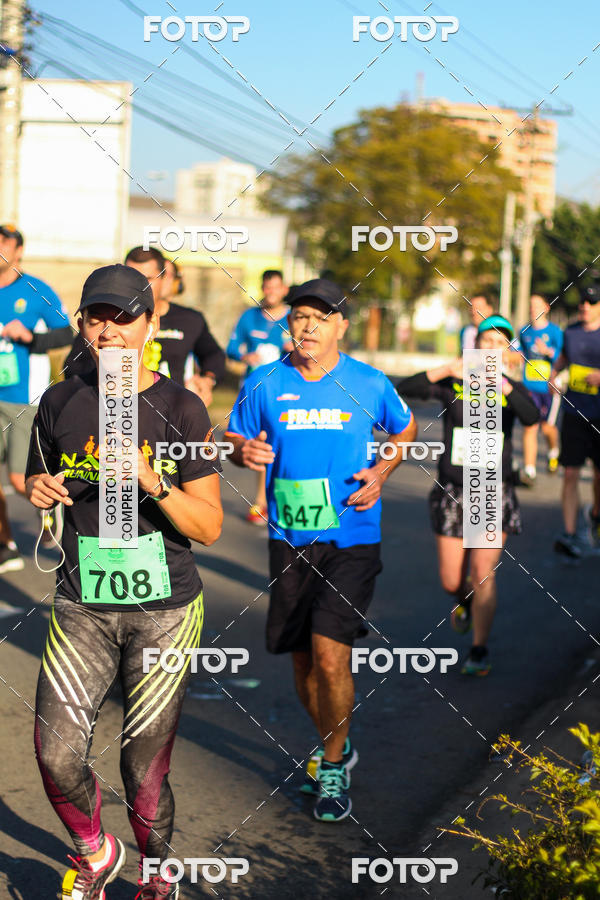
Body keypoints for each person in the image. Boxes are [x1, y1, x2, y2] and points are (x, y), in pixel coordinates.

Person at [25, 264, 223, 899]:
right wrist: (36, 488)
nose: (109, 331)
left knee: (142, 767)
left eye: (124, 318)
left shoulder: (181, 408)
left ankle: (157, 874)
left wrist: (152, 481)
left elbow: (210, 526)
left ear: (151, 325)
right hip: (82, 602)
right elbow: (33, 478)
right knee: (56, 754)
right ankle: (96, 851)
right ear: (81, 325)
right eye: (96, 318)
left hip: (165, 610)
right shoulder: (60, 399)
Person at [225, 278, 416, 821]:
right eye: (299, 317)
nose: (307, 326)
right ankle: (337, 739)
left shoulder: (369, 382)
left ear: (341, 327)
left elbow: (403, 432)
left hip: (352, 535)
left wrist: (381, 471)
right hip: (290, 537)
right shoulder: (265, 381)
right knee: (303, 659)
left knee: (331, 654)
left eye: (320, 317)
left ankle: (331, 764)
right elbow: (235, 439)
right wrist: (243, 452)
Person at [398, 315, 539, 676]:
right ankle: (464, 602)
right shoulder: (454, 382)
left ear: (507, 351)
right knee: (452, 580)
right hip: (453, 489)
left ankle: (479, 649)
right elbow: (405, 388)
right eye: (486, 341)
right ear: (475, 346)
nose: (491, 348)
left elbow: (531, 417)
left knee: (482, 572)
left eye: (499, 343)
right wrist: (447, 369)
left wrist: (503, 384)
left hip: (491, 490)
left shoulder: (511, 388)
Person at [63, 249, 225, 404]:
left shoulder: (189, 319)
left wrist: (207, 380)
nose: (138, 284)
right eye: (131, 276)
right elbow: (73, 367)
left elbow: (214, 355)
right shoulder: (103, 324)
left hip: (169, 410)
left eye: (147, 278)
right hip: (113, 406)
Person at [0, 223, 70, 570]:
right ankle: (6, 545)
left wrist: (30, 338)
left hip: (22, 399)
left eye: (4, 243)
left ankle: (54, 511)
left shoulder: (36, 290)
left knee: (18, 478)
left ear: (18, 251)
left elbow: (67, 333)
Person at [227, 269, 293, 525]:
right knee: (261, 442)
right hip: (256, 390)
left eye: (276, 287)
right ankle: (261, 502)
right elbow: (231, 348)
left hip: (288, 389)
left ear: (284, 289)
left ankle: (286, 499)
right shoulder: (249, 317)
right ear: (263, 289)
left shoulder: (294, 316)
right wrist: (245, 356)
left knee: (286, 442)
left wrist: (294, 347)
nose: (271, 292)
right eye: (267, 287)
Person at [551, 284, 600, 558]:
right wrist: (553, 375)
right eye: (583, 301)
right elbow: (563, 358)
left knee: (598, 475)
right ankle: (569, 534)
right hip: (573, 412)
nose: (585, 306)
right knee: (570, 473)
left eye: (591, 302)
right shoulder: (570, 331)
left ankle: (596, 514)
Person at [518, 294, 563, 485]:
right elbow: (519, 353)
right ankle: (530, 470)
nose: (533, 309)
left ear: (546, 308)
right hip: (529, 387)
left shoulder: (555, 331)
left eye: (537, 306)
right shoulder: (524, 331)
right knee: (530, 426)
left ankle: (553, 451)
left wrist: (548, 352)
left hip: (549, 389)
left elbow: (563, 357)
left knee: (547, 428)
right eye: (530, 306)